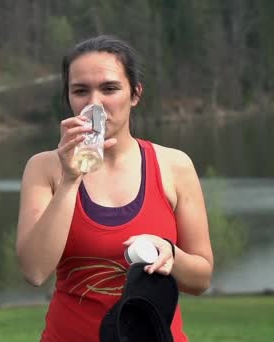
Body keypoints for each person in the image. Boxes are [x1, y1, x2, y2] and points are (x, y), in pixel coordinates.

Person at [16, 35, 213, 341]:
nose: (94, 103)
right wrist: (70, 180)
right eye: (80, 91)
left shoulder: (174, 165)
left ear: (135, 94)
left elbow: (201, 279)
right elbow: (34, 271)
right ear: (68, 97)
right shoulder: (45, 168)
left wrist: (171, 255)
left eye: (109, 88)